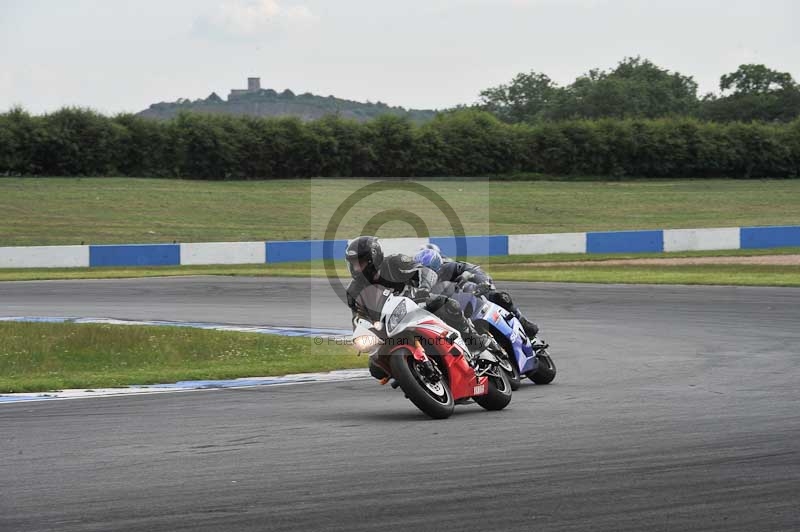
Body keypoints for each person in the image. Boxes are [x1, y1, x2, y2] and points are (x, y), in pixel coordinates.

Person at [344, 236, 495, 365]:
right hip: (387, 325)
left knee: (449, 305)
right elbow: (358, 318)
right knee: (375, 367)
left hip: (416, 304)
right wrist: (362, 333)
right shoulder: (353, 290)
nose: (355, 268)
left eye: (360, 263)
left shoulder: (394, 262)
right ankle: (410, 371)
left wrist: (424, 288)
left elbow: (425, 271)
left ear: (373, 259)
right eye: (353, 264)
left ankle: (472, 338)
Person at [414, 245, 540, 338]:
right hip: (448, 313)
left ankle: (523, 322)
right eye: (423, 270)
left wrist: (482, 283)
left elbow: (475, 270)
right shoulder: (416, 283)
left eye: (430, 269)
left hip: (468, 297)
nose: (427, 273)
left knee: (500, 297)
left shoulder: (449, 266)